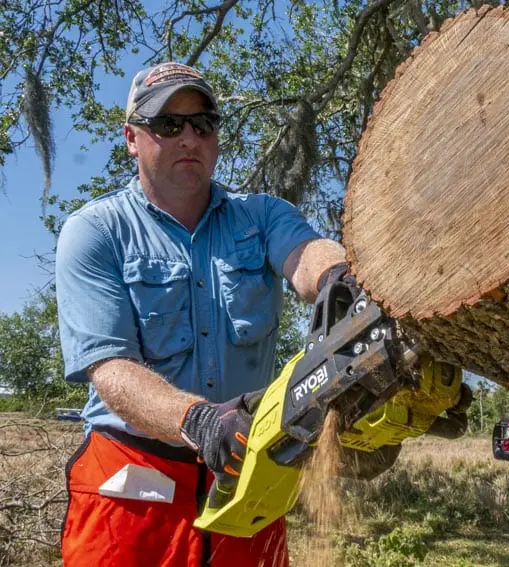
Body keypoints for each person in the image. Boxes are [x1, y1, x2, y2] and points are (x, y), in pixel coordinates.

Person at [55, 62, 351, 567]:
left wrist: (342, 283)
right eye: (168, 124)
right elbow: (111, 369)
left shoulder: (260, 216)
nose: (189, 137)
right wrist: (199, 421)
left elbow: (306, 255)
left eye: (203, 124)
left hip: (246, 479)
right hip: (130, 488)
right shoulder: (96, 231)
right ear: (132, 137)